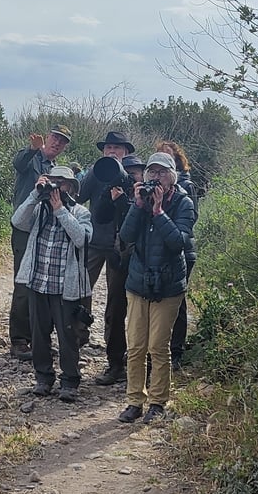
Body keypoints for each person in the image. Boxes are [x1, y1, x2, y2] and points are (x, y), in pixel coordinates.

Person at [117, 152, 197, 424]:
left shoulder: (184, 203)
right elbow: (126, 237)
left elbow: (178, 243)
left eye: (162, 172)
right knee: (136, 345)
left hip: (168, 284)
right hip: (138, 281)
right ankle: (134, 401)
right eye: (152, 172)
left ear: (172, 177)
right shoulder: (139, 201)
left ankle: (157, 402)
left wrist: (159, 212)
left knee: (158, 346)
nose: (155, 177)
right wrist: (138, 206)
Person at [11, 166, 92, 402]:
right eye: (53, 181)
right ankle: (43, 378)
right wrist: (35, 194)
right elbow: (17, 221)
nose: (56, 186)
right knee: (38, 334)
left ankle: (70, 381)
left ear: (71, 188)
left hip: (65, 287)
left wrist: (60, 211)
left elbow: (81, 239)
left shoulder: (80, 212)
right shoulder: (38, 210)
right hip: (38, 281)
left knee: (67, 336)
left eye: (62, 182)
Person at [77, 130, 136, 385]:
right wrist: (95, 171)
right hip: (93, 241)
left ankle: (115, 363)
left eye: (117, 148)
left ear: (126, 152)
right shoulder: (96, 170)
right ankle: (78, 339)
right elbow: (78, 197)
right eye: (108, 147)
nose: (112, 151)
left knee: (116, 304)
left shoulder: (133, 173)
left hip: (120, 247)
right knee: (79, 291)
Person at [8, 124, 72, 360]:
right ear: (47, 137)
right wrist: (32, 150)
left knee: (42, 282)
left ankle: (37, 338)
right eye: (55, 137)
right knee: (24, 282)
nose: (57, 143)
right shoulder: (32, 158)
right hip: (25, 227)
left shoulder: (56, 170)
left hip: (45, 227)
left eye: (62, 141)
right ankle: (18, 339)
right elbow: (18, 165)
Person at [156, 141, 199, 370]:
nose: (164, 162)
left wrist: (165, 214)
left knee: (178, 299)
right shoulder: (152, 185)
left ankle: (176, 352)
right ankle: (158, 351)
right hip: (158, 251)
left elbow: (192, 219)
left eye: (168, 158)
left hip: (183, 251)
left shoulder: (186, 186)